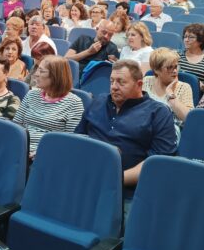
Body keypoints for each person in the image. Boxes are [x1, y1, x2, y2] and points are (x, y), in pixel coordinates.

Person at [75, 60, 177, 203]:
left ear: (139, 85)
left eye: (121, 82)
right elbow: (79, 137)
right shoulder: (99, 101)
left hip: (126, 189)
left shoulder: (158, 112)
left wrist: (115, 179)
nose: (114, 87)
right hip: (85, 177)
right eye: (111, 81)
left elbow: (157, 162)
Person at [13, 56, 83, 157]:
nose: (36, 74)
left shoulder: (74, 103)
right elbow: (17, 125)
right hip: (21, 148)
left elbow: (70, 141)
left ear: (56, 76)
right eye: (37, 69)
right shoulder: (31, 94)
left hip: (49, 155)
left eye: (41, 71)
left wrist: (43, 153)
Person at [143, 48, 193, 134]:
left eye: (176, 67)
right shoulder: (146, 81)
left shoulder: (184, 87)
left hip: (170, 132)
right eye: (169, 67)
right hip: (144, 126)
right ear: (156, 70)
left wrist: (170, 93)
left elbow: (189, 118)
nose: (174, 71)